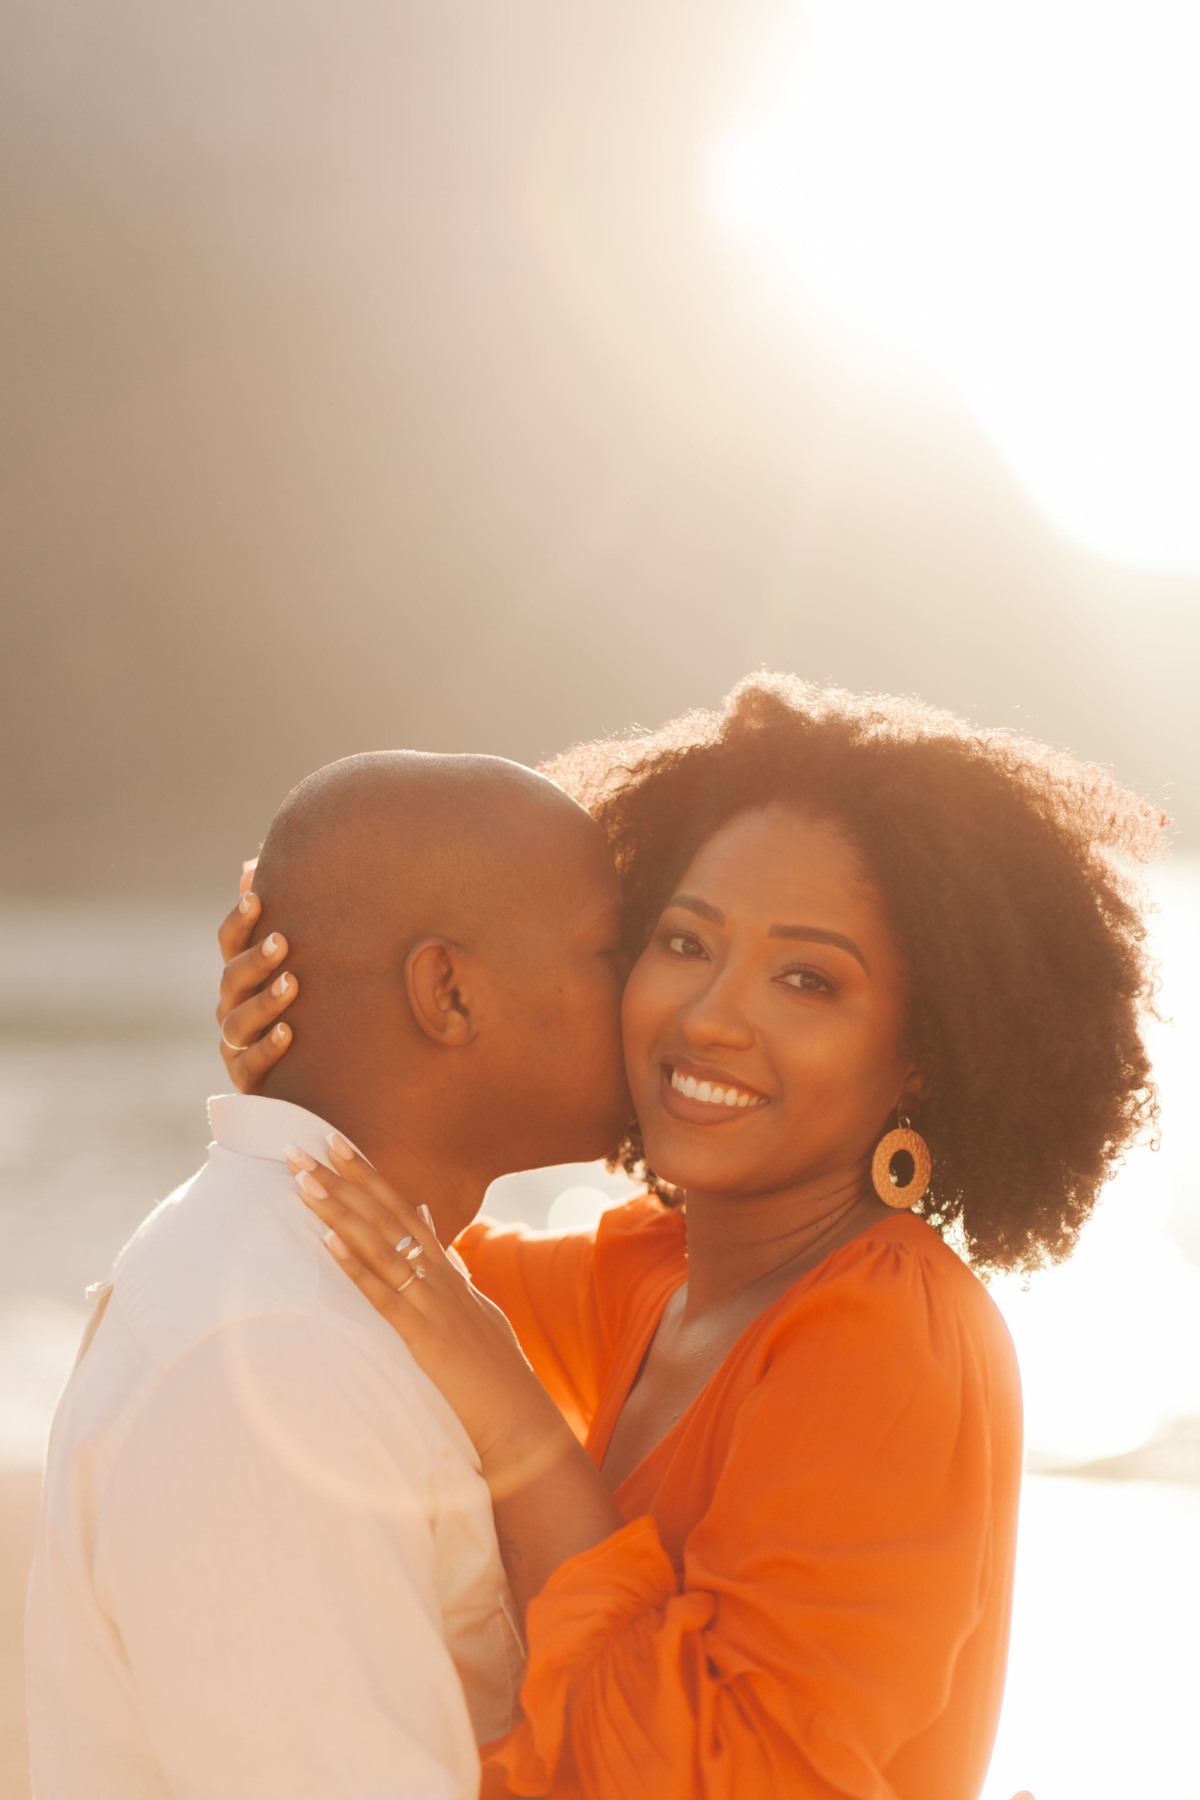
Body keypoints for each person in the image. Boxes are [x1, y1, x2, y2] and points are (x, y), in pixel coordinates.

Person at [217, 676, 1163, 1800]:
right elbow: (376, 1253)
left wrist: (518, 1423)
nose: (712, 1015)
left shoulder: (888, 1335)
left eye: (807, 979)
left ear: (922, 1056)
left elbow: (736, 1778)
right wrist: (323, 1045)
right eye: (683, 941)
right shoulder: (650, 1273)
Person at [25, 750, 632, 1800]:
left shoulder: (345, 1288)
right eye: (610, 951)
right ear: (447, 992)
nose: (659, 998)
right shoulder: (273, 1355)